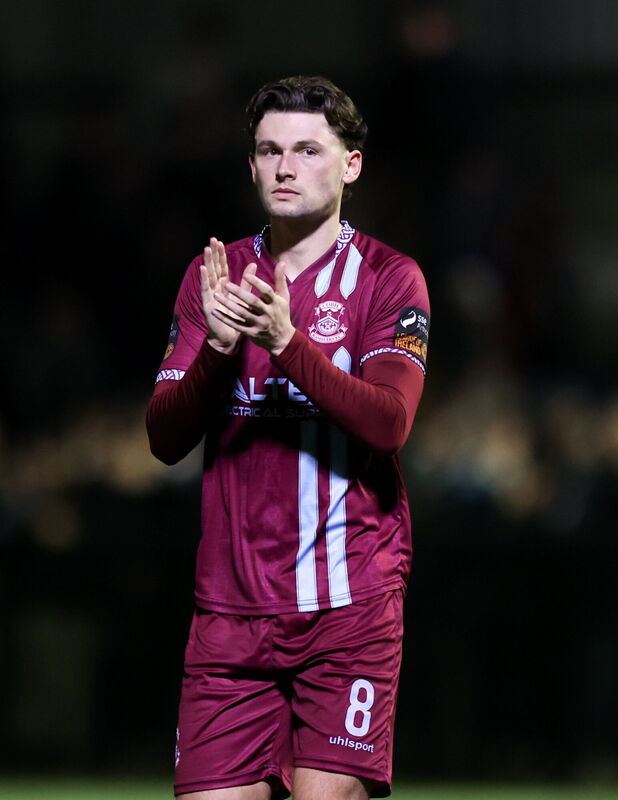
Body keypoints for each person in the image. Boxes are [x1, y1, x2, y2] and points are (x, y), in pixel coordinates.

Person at [146, 76, 430, 800]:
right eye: (269, 150)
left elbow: (389, 423)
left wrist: (286, 343)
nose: (284, 166)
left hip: (348, 610)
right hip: (230, 617)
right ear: (250, 165)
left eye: (307, 149)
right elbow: (164, 438)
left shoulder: (390, 279)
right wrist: (215, 347)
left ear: (350, 164)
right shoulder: (213, 279)